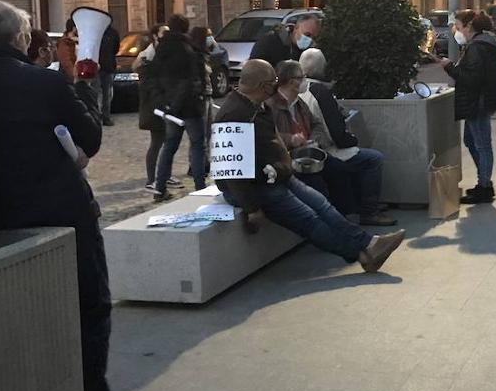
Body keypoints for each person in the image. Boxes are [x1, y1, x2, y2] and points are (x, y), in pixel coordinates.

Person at [0, 1, 135, 391]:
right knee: (90, 307)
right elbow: (90, 137)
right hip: (59, 213)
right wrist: (84, 87)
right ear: (19, 38)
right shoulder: (41, 83)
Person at [215, 60, 405, 272]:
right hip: (258, 186)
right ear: (262, 86)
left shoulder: (257, 105)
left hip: (277, 175)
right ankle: (361, 252)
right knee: (309, 219)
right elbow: (232, 169)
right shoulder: (233, 115)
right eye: (273, 82)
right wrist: (252, 208)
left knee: (321, 204)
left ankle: (370, 244)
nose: (277, 86)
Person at [268, 60, 396, 227]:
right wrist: (291, 139)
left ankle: (346, 217)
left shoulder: (299, 103)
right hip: (292, 158)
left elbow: (317, 125)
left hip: (312, 152)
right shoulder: (272, 106)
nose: (304, 80)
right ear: (293, 82)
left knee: (338, 169)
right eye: (302, 77)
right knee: (363, 162)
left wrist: (314, 140)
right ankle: (345, 219)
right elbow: (269, 135)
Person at [443, 10, 496, 204]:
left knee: (482, 144)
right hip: (479, 101)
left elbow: (472, 79)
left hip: (477, 102)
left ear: (469, 26)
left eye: (458, 26)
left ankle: (484, 186)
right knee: (472, 140)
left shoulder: (477, 47)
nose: (456, 31)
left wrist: (450, 67)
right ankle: (483, 182)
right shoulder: (484, 44)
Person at [151, 15, 209, 194]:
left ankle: (160, 186)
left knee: (169, 145)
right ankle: (200, 186)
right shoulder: (187, 49)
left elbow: (154, 76)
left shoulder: (161, 48)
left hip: (169, 105)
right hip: (189, 105)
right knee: (198, 144)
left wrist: (165, 102)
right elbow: (190, 80)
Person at [137, 39, 169, 198]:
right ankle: (153, 179)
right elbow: (152, 92)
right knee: (157, 144)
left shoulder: (149, 68)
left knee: (161, 144)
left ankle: (161, 178)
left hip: (156, 111)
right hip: (154, 112)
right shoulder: (148, 69)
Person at [250, 14, 319, 69]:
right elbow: (255, 69)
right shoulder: (269, 42)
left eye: (314, 37)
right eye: (307, 34)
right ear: (296, 28)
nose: (310, 40)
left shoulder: (309, 52)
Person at [98, 22, 120, 127]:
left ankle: (102, 117)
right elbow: (116, 49)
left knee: (103, 94)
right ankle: (104, 117)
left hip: (103, 66)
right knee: (105, 94)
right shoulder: (113, 33)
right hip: (106, 66)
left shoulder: (99, 32)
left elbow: (115, 48)